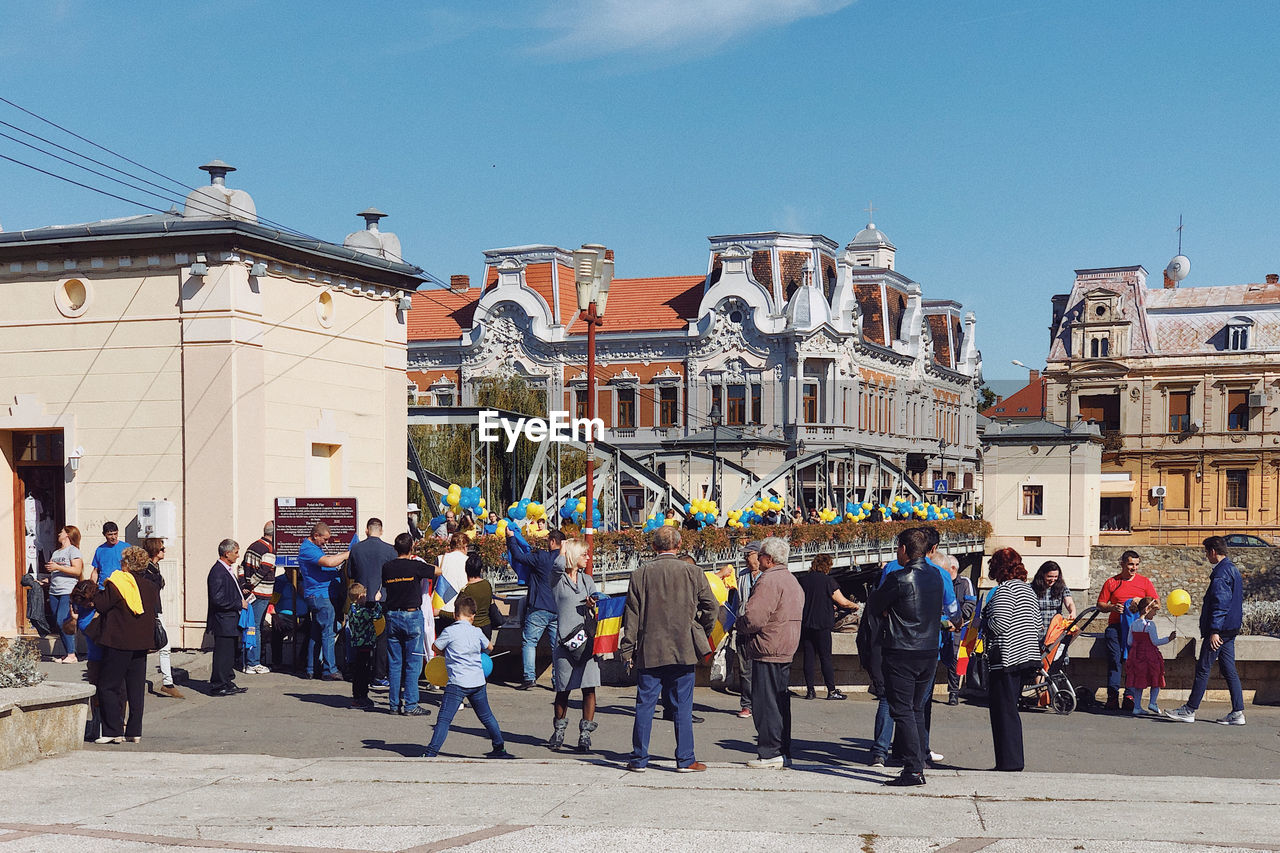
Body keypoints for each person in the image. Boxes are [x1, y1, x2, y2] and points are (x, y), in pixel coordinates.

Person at [619, 525, 717, 773]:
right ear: (679, 545)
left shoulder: (640, 574)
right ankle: (685, 759)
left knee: (644, 705)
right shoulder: (693, 572)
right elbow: (711, 607)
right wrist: (700, 631)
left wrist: (627, 650)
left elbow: (631, 617)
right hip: (684, 648)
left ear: (653, 547)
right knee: (683, 705)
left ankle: (639, 759)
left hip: (650, 648)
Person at [866, 527, 942, 786]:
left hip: (902, 651)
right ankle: (918, 760)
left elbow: (875, 607)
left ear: (905, 549)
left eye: (897, 547)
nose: (896, 552)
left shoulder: (900, 577)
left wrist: (888, 610)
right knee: (917, 709)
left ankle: (912, 769)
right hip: (929, 649)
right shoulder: (936, 575)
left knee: (901, 709)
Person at [738, 536, 803, 769]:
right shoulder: (792, 580)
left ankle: (769, 752)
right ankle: (782, 750)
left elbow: (754, 618)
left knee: (766, 704)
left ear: (769, 559)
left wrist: (740, 624)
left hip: (768, 646)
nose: (758, 558)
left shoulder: (768, 580)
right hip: (786, 645)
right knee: (780, 702)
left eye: (761, 554)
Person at [1167, 536, 1246, 725]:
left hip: (1220, 630)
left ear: (1212, 551)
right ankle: (1237, 712)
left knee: (1203, 668)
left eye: (1206, 552)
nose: (1206, 556)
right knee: (1229, 670)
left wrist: (1214, 631)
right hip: (1231, 629)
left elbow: (1220, 603)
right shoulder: (1232, 569)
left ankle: (1190, 709)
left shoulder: (1221, 573)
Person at [423, 595, 513, 759]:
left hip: (457, 682)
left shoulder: (450, 631)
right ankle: (499, 748)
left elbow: (435, 647)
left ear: (456, 615)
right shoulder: (477, 631)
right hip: (478, 681)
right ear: (473, 616)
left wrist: (447, 654)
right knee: (486, 717)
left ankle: (431, 752)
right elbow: (490, 647)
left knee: (444, 719)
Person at [981, 547, 1042, 772]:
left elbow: (999, 625)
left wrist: (984, 617)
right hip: (1027, 657)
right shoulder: (1029, 591)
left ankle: (1009, 762)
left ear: (998, 568)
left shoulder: (1004, 591)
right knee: (1011, 710)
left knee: (1003, 712)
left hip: (1006, 658)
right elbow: (1038, 627)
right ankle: (1012, 761)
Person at [93, 545, 161, 743]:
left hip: (119, 641)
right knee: (136, 687)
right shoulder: (150, 586)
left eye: (123, 561)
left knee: (108, 686)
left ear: (128, 564)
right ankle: (134, 731)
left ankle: (112, 731)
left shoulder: (118, 583)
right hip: (142, 642)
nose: (120, 564)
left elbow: (101, 604)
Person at [548, 539, 601, 753]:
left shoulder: (587, 579)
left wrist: (593, 603)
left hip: (586, 640)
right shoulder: (558, 580)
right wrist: (562, 549)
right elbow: (556, 566)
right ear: (572, 555)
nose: (588, 558)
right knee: (563, 688)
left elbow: (597, 603)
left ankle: (585, 734)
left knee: (589, 687)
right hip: (564, 642)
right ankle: (559, 730)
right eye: (583, 555)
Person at [1096, 551, 1156, 711]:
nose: (1134, 568)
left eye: (1136, 565)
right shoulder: (1112, 582)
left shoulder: (1144, 582)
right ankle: (1112, 696)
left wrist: (1142, 604)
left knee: (1133, 662)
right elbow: (1100, 604)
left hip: (1136, 628)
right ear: (1122, 564)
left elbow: (1156, 604)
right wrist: (1112, 607)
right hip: (1116, 627)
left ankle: (1129, 696)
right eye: (1130, 564)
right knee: (1115, 661)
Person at [381, 532, 434, 716]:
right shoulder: (416, 566)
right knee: (413, 662)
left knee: (395, 663)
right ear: (411, 548)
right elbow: (436, 571)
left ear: (395, 548)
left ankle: (394, 704)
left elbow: (386, 587)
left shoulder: (387, 567)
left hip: (392, 615)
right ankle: (411, 705)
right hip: (412, 616)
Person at [507, 527, 565, 690]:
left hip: (539, 606)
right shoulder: (565, 560)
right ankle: (557, 681)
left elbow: (518, 557)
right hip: (558, 608)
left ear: (553, 542)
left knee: (530, 642)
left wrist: (511, 538)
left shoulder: (542, 557)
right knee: (557, 647)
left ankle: (529, 678)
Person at [796, 553, 859, 700]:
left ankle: (810, 691)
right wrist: (854, 606)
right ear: (827, 566)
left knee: (808, 658)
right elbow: (842, 602)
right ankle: (831, 691)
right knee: (825, 658)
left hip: (806, 624)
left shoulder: (803, 580)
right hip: (822, 624)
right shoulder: (828, 581)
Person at [298, 522, 351, 681]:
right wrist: (348, 553)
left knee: (316, 633)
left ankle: (311, 668)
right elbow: (328, 563)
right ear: (316, 536)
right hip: (321, 596)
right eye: (325, 539)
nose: (326, 543)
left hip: (319, 596)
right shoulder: (308, 549)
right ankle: (330, 669)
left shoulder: (314, 548)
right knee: (328, 632)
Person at [347, 518, 395, 683]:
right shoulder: (391, 550)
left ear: (367, 530)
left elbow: (350, 573)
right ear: (381, 531)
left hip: (361, 598)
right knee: (381, 637)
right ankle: (379, 674)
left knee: (360, 637)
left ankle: (359, 672)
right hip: (382, 597)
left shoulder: (356, 549)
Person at [140, 538, 182, 698]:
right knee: (160, 646)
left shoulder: (154, 568)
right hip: (151, 612)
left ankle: (168, 682)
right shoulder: (147, 570)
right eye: (162, 548)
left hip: (157, 611)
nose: (165, 551)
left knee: (164, 646)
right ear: (155, 551)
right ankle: (167, 682)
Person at [207, 539, 248, 696]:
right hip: (223, 620)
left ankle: (228, 680)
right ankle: (219, 684)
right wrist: (238, 603)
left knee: (230, 653)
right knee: (222, 653)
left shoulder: (227, 570)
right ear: (227, 553)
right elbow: (217, 599)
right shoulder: (218, 571)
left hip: (231, 620)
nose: (238, 556)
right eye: (236, 552)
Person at [1125, 597, 1174, 716]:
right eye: (1154, 611)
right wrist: (1169, 638)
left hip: (1137, 656)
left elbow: (1129, 642)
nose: (1155, 614)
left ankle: (1137, 707)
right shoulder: (1150, 625)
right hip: (1150, 655)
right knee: (1156, 679)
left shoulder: (1134, 624)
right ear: (1147, 609)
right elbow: (1155, 641)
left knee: (1139, 682)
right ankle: (1152, 702)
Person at [238, 521, 276, 675]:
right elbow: (264, 570)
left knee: (250, 626)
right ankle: (253, 663)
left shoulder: (252, 546)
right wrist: (250, 584)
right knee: (256, 627)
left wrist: (243, 585)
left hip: (250, 593)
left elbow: (240, 567)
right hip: (261, 592)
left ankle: (247, 661)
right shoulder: (269, 549)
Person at [46, 525, 85, 663]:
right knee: (58, 621)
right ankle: (67, 653)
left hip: (67, 591)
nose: (58, 533)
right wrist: (46, 580)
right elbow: (56, 573)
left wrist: (57, 567)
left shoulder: (73, 551)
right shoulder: (56, 553)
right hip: (54, 591)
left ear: (68, 534)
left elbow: (77, 570)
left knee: (63, 620)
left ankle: (72, 654)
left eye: (61, 531)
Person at [942, 554, 976, 705]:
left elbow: (970, 605)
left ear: (953, 568)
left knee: (955, 657)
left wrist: (957, 620)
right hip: (941, 624)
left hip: (958, 627)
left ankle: (953, 693)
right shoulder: (941, 581)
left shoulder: (965, 583)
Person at [734, 541, 763, 719]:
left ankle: (761, 704)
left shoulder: (767, 575)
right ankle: (747, 704)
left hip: (761, 629)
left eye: (749, 554)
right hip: (744, 627)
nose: (745, 557)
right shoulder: (742, 575)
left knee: (761, 669)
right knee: (745, 669)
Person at [345, 582, 381, 710]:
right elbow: (377, 615)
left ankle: (360, 696)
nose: (366, 597)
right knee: (363, 671)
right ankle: (360, 697)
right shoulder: (361, 611)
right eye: (365, 595)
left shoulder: (352, 609)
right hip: (364, 643)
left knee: (360, 670)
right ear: (360, 596)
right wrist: (377, 602)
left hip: (358, 643)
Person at [433, 533, 470, 632]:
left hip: (441, 608)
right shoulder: (468, 561)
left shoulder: (440, 558)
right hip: (462, 609)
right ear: (464, 546)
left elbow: (433, 582)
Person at [1031, 560, 1076, 636]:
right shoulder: (1031, 588)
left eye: (1056, 577)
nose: (1053, 580)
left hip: (1055, 629)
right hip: (1037, 629)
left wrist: (1072, 611)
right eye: (1050, 576)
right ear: (1042, 575)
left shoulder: (1062, 588)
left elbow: (1069, 603)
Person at [462, 554, 496, 639]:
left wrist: (440, 612)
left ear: (466, 570)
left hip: (471, 628)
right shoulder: (487, 584)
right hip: (487, 627)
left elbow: (460, 614)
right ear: (480, 570)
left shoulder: (466, 590)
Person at [91, 521, 127, 587]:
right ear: (104, 534)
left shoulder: (126, 548)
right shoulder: (100, 549)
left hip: (121, 586)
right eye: (110, 534)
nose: (113, 537)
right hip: (103, 587)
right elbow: (95, 571)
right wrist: (92, 587)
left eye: (115, 534)